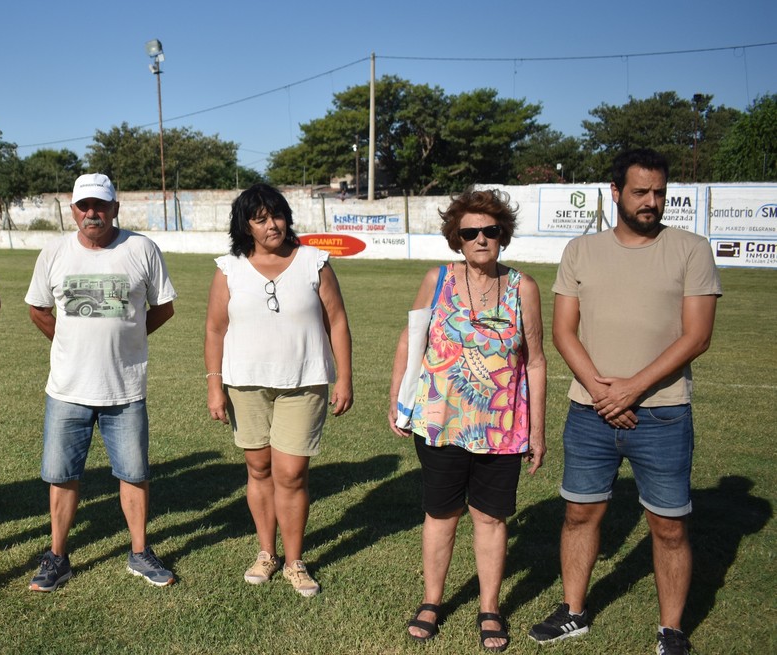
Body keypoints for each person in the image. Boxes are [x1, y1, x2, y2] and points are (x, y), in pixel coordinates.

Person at [528, 148, 720, 655]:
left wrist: (632, 388)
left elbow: (697, 336)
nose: (651, 201)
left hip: (663, 413)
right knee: (579, 515)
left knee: (669, 526)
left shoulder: (692, 249)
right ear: (615, 192)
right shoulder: (581, 250)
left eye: (659, 193)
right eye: (640, 192)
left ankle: (671, 630)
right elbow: (563, 331)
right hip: (589, 413)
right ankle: (573, 613)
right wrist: (601, 392)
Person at [387, 188, 546, 651]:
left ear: (503, 235)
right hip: (440, 421)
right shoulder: (437, 279)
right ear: (456, 238)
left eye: (490, 231)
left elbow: (536, 360)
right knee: (441, 515)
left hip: (502, 427)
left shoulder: (523, 287)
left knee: (490, 518)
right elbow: (410, 339)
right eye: (470, 232)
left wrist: (537, 431)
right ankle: (431, 602)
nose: (480, 239)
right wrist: (398, 399)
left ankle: (490, 608)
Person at [25, 173, 178, 591]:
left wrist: (130, 338)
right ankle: (57, 557)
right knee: (62, 475)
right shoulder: (54, 252)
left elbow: (163, 307)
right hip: (67, 389)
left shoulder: (141, 249)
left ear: (115, 208)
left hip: (124, 388)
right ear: (73, 209)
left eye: (100, 205)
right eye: (84, 206)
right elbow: (38, 309)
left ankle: (140, 552)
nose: (92, 213)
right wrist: (69, 342)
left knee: (134, 472)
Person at [203, 183, 354, 598]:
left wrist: (344, 377)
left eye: (277, 215)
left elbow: (337, 321)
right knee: (258, 469)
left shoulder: (313, 262)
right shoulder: (229, 268)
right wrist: (214, 385)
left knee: (291, 473)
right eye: (261, 219)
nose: (272, 225)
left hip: (304, 383)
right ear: (245, 226)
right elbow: (215, 329)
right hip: (245, 384)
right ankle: (266, 553)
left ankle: (294, 561)